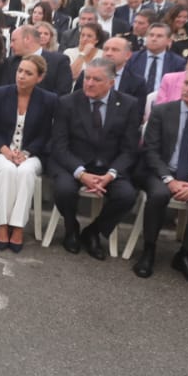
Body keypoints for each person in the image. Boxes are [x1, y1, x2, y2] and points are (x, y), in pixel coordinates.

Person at [134, 65, 188, 283]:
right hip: (161, 172)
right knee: (159, 195)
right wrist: (169, 179)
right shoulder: (162, 111)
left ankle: (185, 254)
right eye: (187, 83)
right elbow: (151, 151)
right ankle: (149, 249)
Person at [48, 57, 141, 260]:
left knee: (126, 196)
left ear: (111, 82)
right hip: (74, 163)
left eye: (96, 80)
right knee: (63, 189)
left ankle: (94, 231)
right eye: (87, 78)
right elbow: (59, 146)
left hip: (109, 166)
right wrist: (81, 174)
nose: (89, 83)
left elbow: (129, 149)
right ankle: (71, 227)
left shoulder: (128, 104)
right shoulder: (68, 102)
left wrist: (111, 174)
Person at [0, 53, 55, 252]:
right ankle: (3, 224)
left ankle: (18, 226)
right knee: (7, 170)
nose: (21, 76)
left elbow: (46, 135)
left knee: (24, 172)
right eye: (20, 71)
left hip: (31, 154)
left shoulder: (48, 100)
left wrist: (28, 152)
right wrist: (5, 150)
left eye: (28, 73)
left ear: (39, 78)